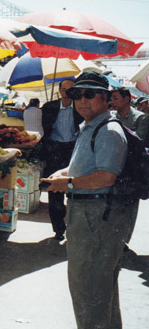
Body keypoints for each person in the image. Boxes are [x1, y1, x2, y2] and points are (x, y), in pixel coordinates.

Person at [42, 72, 129, 329]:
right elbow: (85, 166)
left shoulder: (108, 130)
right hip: (88, 212)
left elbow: (106, 176)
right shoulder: (90, 126)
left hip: (97, 215)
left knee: (88, 287)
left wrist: (67, 183)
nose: (82, 100)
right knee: (100, 289)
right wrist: (64, 173)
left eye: (90, 94)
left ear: (107, 99)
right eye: (76, 94)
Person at [40, 79, 84, 241]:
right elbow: (44, 130)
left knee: (74, 188)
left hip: (74, 151)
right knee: (54, 190)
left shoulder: (80, 108)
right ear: (59, 90)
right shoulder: (49, 107)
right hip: (55, 151)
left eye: (70, 90)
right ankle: (58, 228)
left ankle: (75, 228)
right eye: (64, 90)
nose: (66, 93)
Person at [110, 87, 148, 250]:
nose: (112, 101)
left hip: (133, 168)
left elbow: (138, 141)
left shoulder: (141, 118)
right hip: (115, 165)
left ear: (127, 99)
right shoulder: (112, 117)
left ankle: (124, 239)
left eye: (116, 98)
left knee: (131, 204)